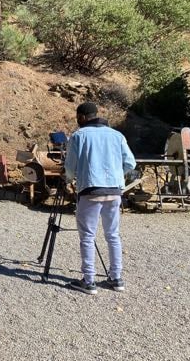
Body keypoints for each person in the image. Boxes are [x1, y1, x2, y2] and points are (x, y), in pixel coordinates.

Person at [64, 102, 136, 295]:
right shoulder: (117, 135)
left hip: (90, 191)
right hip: (114, 191)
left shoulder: (79, 136)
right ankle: (116, 278)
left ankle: (89, 281)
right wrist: (116, 176)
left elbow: (70, 167)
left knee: (88, 236)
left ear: (81, 117)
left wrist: (69, 179)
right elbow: (130, 163)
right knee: (113, 235)